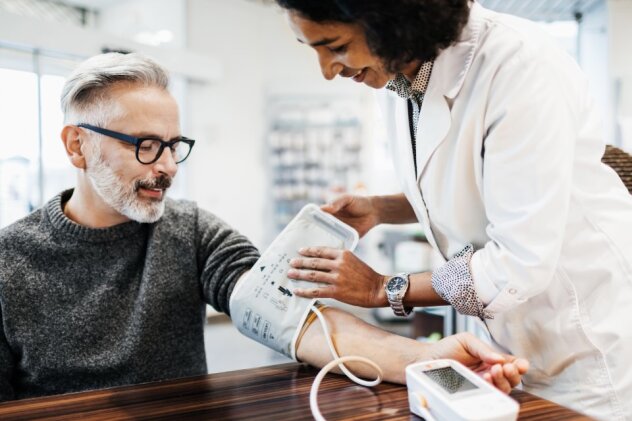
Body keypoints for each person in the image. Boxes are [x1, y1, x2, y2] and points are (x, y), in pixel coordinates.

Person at [0, 52, 527, 402]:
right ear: (76, 145)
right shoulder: (10, 260)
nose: (167, 166)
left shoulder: (190, 231)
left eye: (174, 146)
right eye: (145, 145)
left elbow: (291, 318)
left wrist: (424, 357)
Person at [276, 0, 632, 419]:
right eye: (311, 48)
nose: (326, 69)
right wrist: (380, 208)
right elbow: (468, 183)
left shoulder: (518, 66)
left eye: (335, 46)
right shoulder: (399, 79)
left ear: (393, 19)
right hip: (515, 340)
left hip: (591, 342)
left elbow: (519, 263)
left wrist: (385, 289)